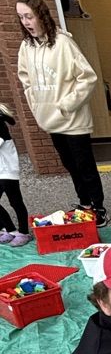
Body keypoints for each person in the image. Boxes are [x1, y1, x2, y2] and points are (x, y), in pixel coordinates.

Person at [16, 0, 108, 228]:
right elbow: (25, 79)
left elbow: (87, 77)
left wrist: (66, 106)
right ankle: (84, 203)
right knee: (69, 164)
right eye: (21, 17)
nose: (26, 22)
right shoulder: (26, 47)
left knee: (84, 164)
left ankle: (98, 208)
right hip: (50, 119)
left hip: (73, 118)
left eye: (29, 16)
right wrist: (36, 106)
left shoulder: (64, 43)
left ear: (41, 15)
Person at [0, 102, 31, 246]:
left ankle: (24, 232)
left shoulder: (0, 127)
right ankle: (10, 230)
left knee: (15, 202)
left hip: (7, 172)